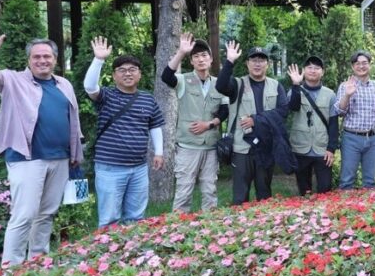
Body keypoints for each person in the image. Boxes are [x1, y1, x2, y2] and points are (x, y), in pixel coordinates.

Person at [0, 24, 84, 267]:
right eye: (37, 56)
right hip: (27, 159)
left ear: (55, 60)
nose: (42, 60)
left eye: (47, 56)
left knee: (46, 214)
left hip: (60, 159)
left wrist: (76, 154)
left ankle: (38, 263)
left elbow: (73, 122)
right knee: (24, 215)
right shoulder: (13, 80)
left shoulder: (63, 85)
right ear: (29, 60)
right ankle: (11, 270)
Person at [84, 37, 165, 227]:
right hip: (110, 168)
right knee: (109, 219)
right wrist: (99, 59)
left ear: (139, 74)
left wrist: (159, 152)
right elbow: (89, 87)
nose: (127, 74)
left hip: (139, 168)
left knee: (136, 218)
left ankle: (132, 253)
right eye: (122, 70)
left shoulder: (148, 99)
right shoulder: (106, 96)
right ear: (114, 76)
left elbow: (154, 125)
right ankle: (106, 254)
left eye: (132, 70)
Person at [161, 33, 229, 213]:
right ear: (191, 61)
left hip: (211, 146)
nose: (201, 59)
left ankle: (209, 230)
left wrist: (210, 124)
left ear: (211, 59)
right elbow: (166, 76)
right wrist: (181, 52)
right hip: (188, 146)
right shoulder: (183, 80)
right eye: (196, 56)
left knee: (210, 191)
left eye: (204, 55)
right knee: (184, 191)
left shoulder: (219, 83)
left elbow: (224, 111)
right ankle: (178, 231)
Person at [216, 42, 288, 204]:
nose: (257, 63)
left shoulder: (276, 86)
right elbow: (220, 85)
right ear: (247, 63)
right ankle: (239, 227)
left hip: (265, 148)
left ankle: (264, 228)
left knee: (264, 196)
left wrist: (256, 120)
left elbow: (283, 112)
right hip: (242, 149)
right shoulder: (237, 84)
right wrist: (229, 61)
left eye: (261, 60)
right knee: (240, 197)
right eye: (253, 60)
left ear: (267, 65)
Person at [287, 56, 339, 195]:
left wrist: (331, 149)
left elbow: (334, 123)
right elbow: (293, 107)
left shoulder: (330, 95)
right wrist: (296, 85)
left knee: (325, 188)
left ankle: (324, 215)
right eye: (309, 67)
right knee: (304, 190)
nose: (313, 71)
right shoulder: (294, 90)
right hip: (300, 147)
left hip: (322, 149)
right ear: (303, 71)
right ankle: (305, 216)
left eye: (317, 68)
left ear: (322, 72)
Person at [333, 50, 375, 189]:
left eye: (364, 63)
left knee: (370, 181)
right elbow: (339, 112)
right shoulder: (345, 86)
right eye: (357, 63)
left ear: (370, 65)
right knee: (347, 180)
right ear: (352, 67)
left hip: (373, 138)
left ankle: (368, 209)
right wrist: (348, 95)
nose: (361, 66)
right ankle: (345, 209)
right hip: (351, 137)